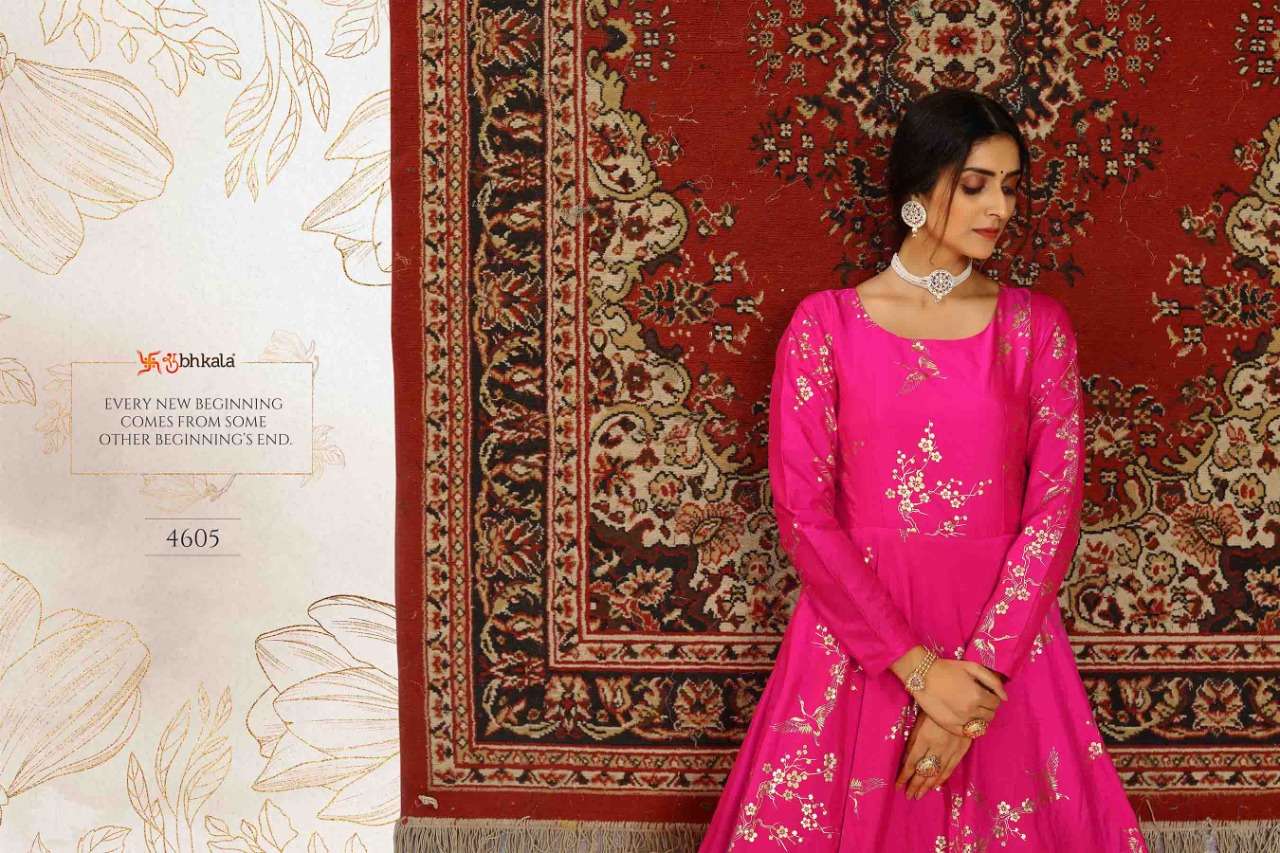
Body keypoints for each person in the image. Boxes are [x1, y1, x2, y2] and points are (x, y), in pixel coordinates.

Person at [698, 89, 1150, 852]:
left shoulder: (1037, 330)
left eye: (1010, 187)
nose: (999, 207)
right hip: (861, 641)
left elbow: (1055, 513)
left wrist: (970, 694)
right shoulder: (825, 328)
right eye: (974, 185)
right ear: (918, 187)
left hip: (1001, 649)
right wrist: (919, 672)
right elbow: (804, 514)